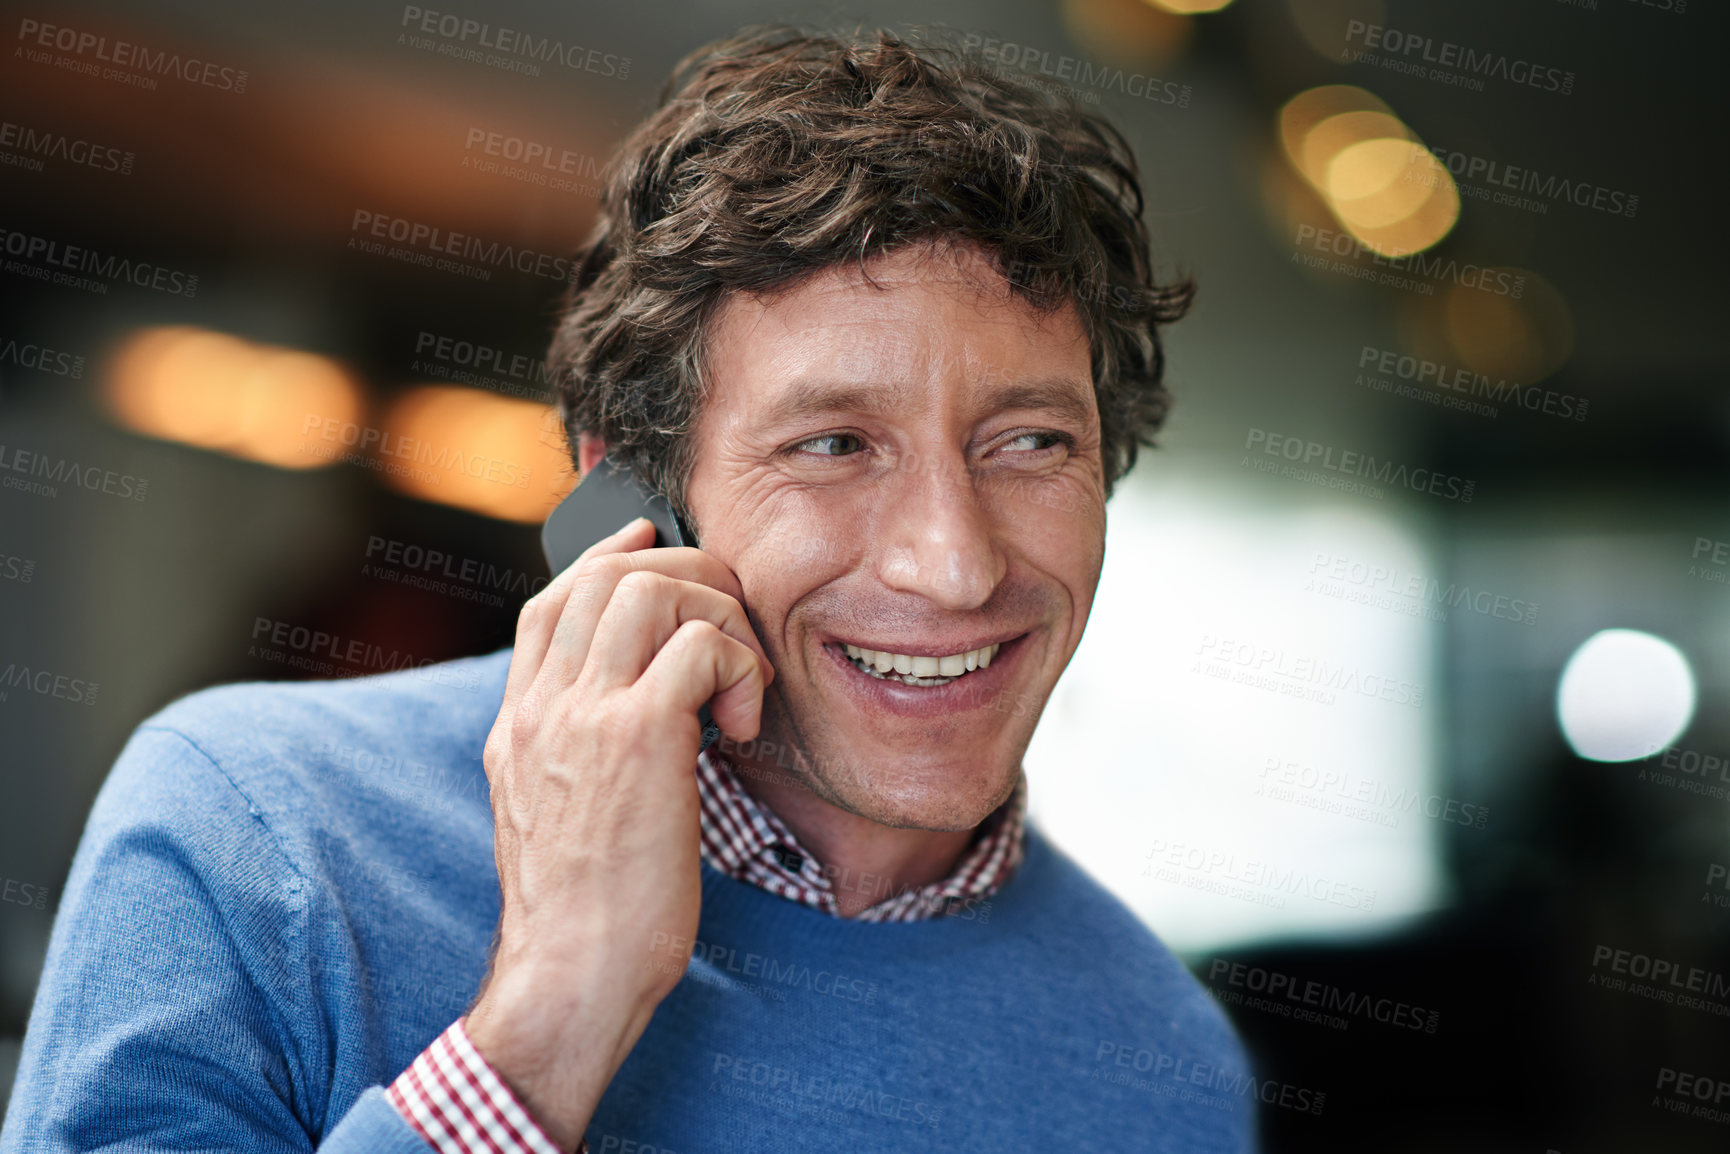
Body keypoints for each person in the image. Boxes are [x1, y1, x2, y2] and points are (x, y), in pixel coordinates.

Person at [1, 27, 1255, 1154]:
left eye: (1028, 442)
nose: (955, 562)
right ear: (629, 502)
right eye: (831, 445)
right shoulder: (254, 827)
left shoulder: (1165, 1059)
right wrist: (555, 1009)